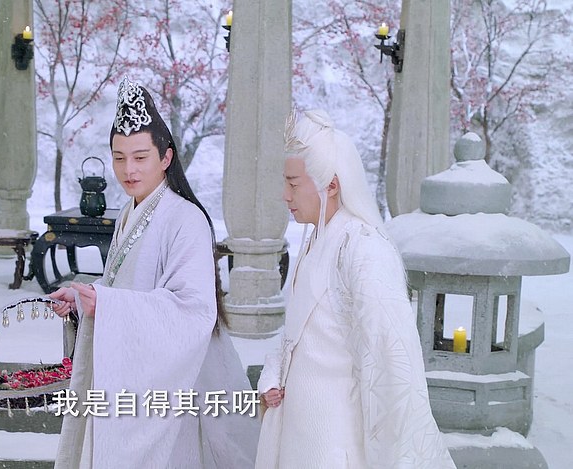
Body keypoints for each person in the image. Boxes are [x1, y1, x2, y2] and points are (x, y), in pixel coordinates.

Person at [50, 76, 259, 469]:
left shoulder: (186, 219)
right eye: (119, 157)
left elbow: (194, 310)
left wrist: (108, 305)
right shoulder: (129, 212)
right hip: (136, 368)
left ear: (166, 158)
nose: (128, 169)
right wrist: (84, 298)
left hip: (177, 378)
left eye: (140, 157)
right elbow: (125, 284)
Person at [255, 110, 456, 468]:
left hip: (335, 442)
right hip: (299, 433)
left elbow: (391, 362)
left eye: (293, 183)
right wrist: (275, 374)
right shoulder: (316, 238)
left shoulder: (364, 249)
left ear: (331, 184)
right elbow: (297, 335)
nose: (285, 195)